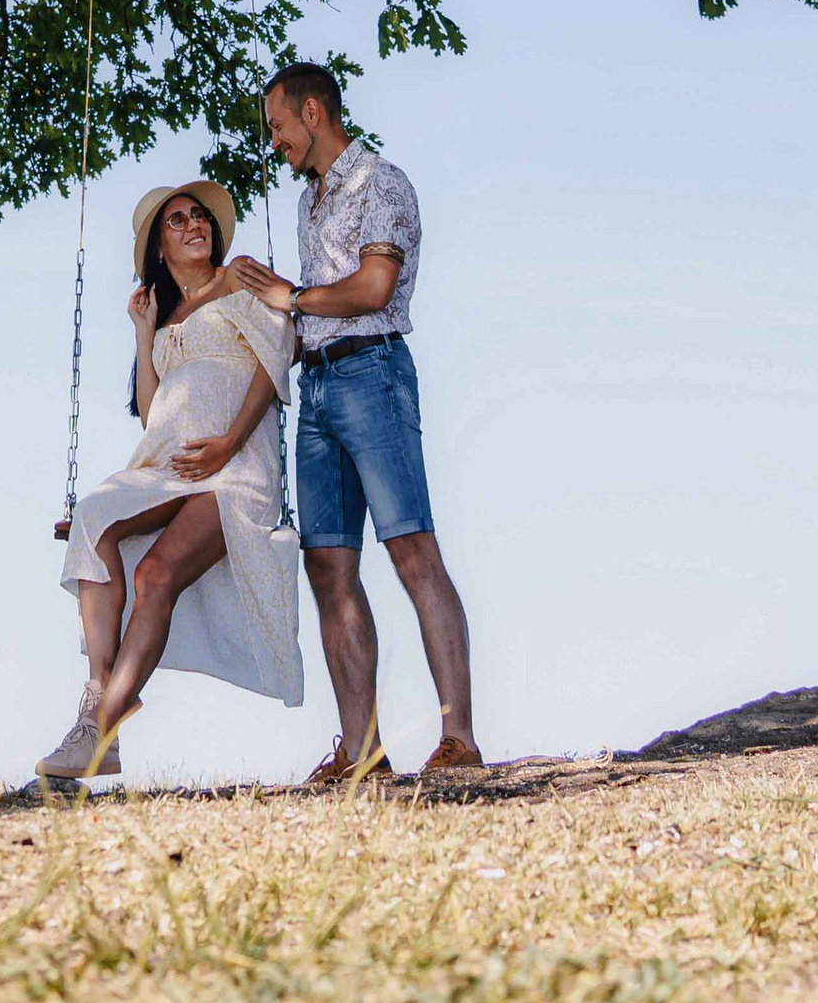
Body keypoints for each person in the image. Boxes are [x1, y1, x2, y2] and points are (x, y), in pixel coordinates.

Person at [214, 63, 483, 785]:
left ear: (312, 112)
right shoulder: (308, 203)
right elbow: (299, 313)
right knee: (328, 568)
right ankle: (361, 751)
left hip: (375, 375)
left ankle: (458, 737)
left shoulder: (382, 182)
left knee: (413, 554)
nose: (274, 143)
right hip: (319, 390)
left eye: (277, 127)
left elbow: (373, 287)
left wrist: (290, 295)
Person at [37, 180, 301, 782]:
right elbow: (152, 409)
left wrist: (231, 441)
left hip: (234, 469)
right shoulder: (163, 317)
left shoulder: (238, 277)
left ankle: (99, 730)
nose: (193, 225)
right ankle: (100, 702)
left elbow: (277, 350)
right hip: (168, 468)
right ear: (159, 246)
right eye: (177, 221)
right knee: (94, 517)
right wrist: (143, 332)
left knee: (157, 573)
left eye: (199, 216)